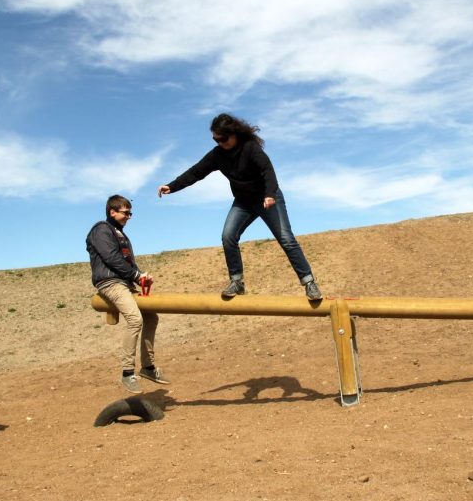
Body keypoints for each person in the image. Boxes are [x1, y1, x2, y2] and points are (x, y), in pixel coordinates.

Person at [157, 113, 323, 300]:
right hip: (243, 202)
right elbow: (196, 172)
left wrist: (269, 194)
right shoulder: (217, 155)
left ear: (234, 134)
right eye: (216, 139)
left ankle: (309, 283)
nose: (220, 143)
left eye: (223, 138)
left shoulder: (250, 148)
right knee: (228, 236)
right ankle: (237, 282)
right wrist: (172, 186)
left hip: (267, 198)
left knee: (286, 239)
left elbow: (268, 171)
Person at [86, 195, 170, 393]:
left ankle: (148, 368)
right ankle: (127, 372)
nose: (129, 216)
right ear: (112, 211)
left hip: (124, 283)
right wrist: (135, 275)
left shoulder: (120, 234)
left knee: (151, 317)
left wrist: (140, 277)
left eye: (130, 213)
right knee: (135, 319)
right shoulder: (101, 230)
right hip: (110, 283)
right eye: (126, 212)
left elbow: (128, 263)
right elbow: (112, 258)